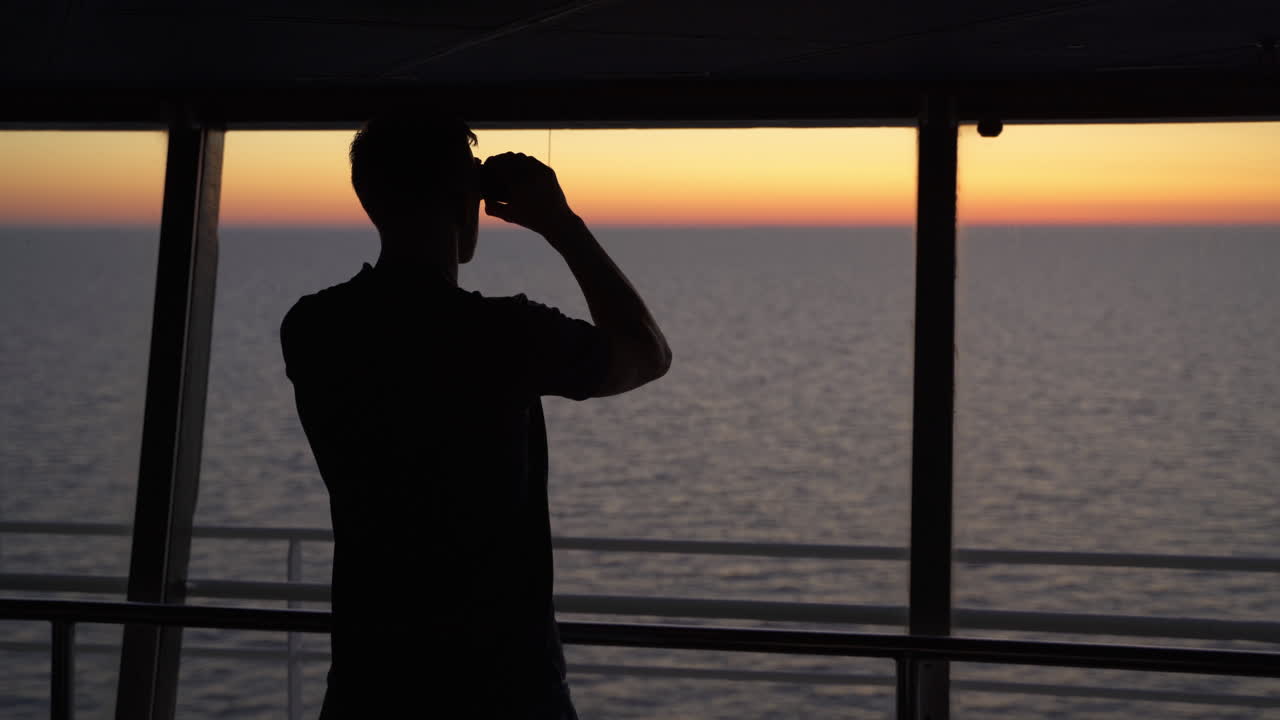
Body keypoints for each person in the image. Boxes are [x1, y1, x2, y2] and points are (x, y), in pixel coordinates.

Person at [280, 114, 671, 719]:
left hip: (371, 676)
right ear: (465, 203)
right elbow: (647, 354)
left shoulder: (313, 328)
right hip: (504, 683)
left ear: (370, 199)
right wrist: (560, 223)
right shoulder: (502, 334)